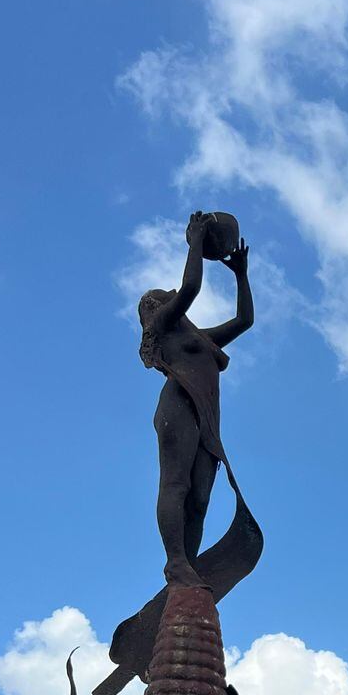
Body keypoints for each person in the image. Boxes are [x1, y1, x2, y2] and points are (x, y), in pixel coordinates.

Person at [137, 210, 254, 586]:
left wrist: (241, 276)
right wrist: (196, 242)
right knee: (177, 485)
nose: (170, 296)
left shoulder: (201, 338)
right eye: (164, 297)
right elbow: (189, 289)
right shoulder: (164, 325)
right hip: (178, 404)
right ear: (154, 308)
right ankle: (175, 562)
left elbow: (244, 321)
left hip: (207, 419)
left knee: (201, 498)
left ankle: (188, 564)